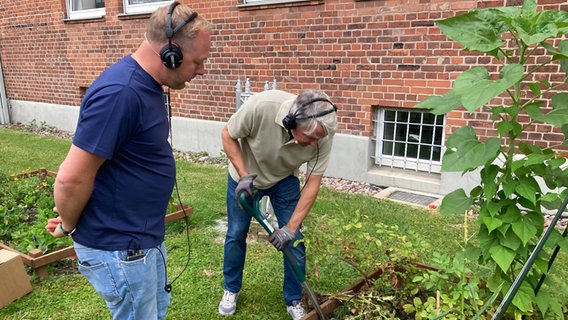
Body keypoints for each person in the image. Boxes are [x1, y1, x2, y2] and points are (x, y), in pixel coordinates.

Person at [44, 2, 213, 319]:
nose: (202, 70)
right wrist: (67, 225)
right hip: (122, 250)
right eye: (198, 61)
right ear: (171, 54)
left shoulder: (145, 86)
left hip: (140, 244)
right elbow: (71, 178)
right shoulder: (120, 93)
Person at [219, 88, 338, 320]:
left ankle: (294, 299)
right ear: (292, 122)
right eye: (311, 138)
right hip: (245, 178)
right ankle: (231, 289)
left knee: (295, 241)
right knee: (236, 233)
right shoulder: (262, 106)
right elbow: (227, 134)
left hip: (284, 179)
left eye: (319, 139)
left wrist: (290, 229)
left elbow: (313, 183)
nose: (315, 144)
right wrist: (244, 176)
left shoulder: (323, 134)